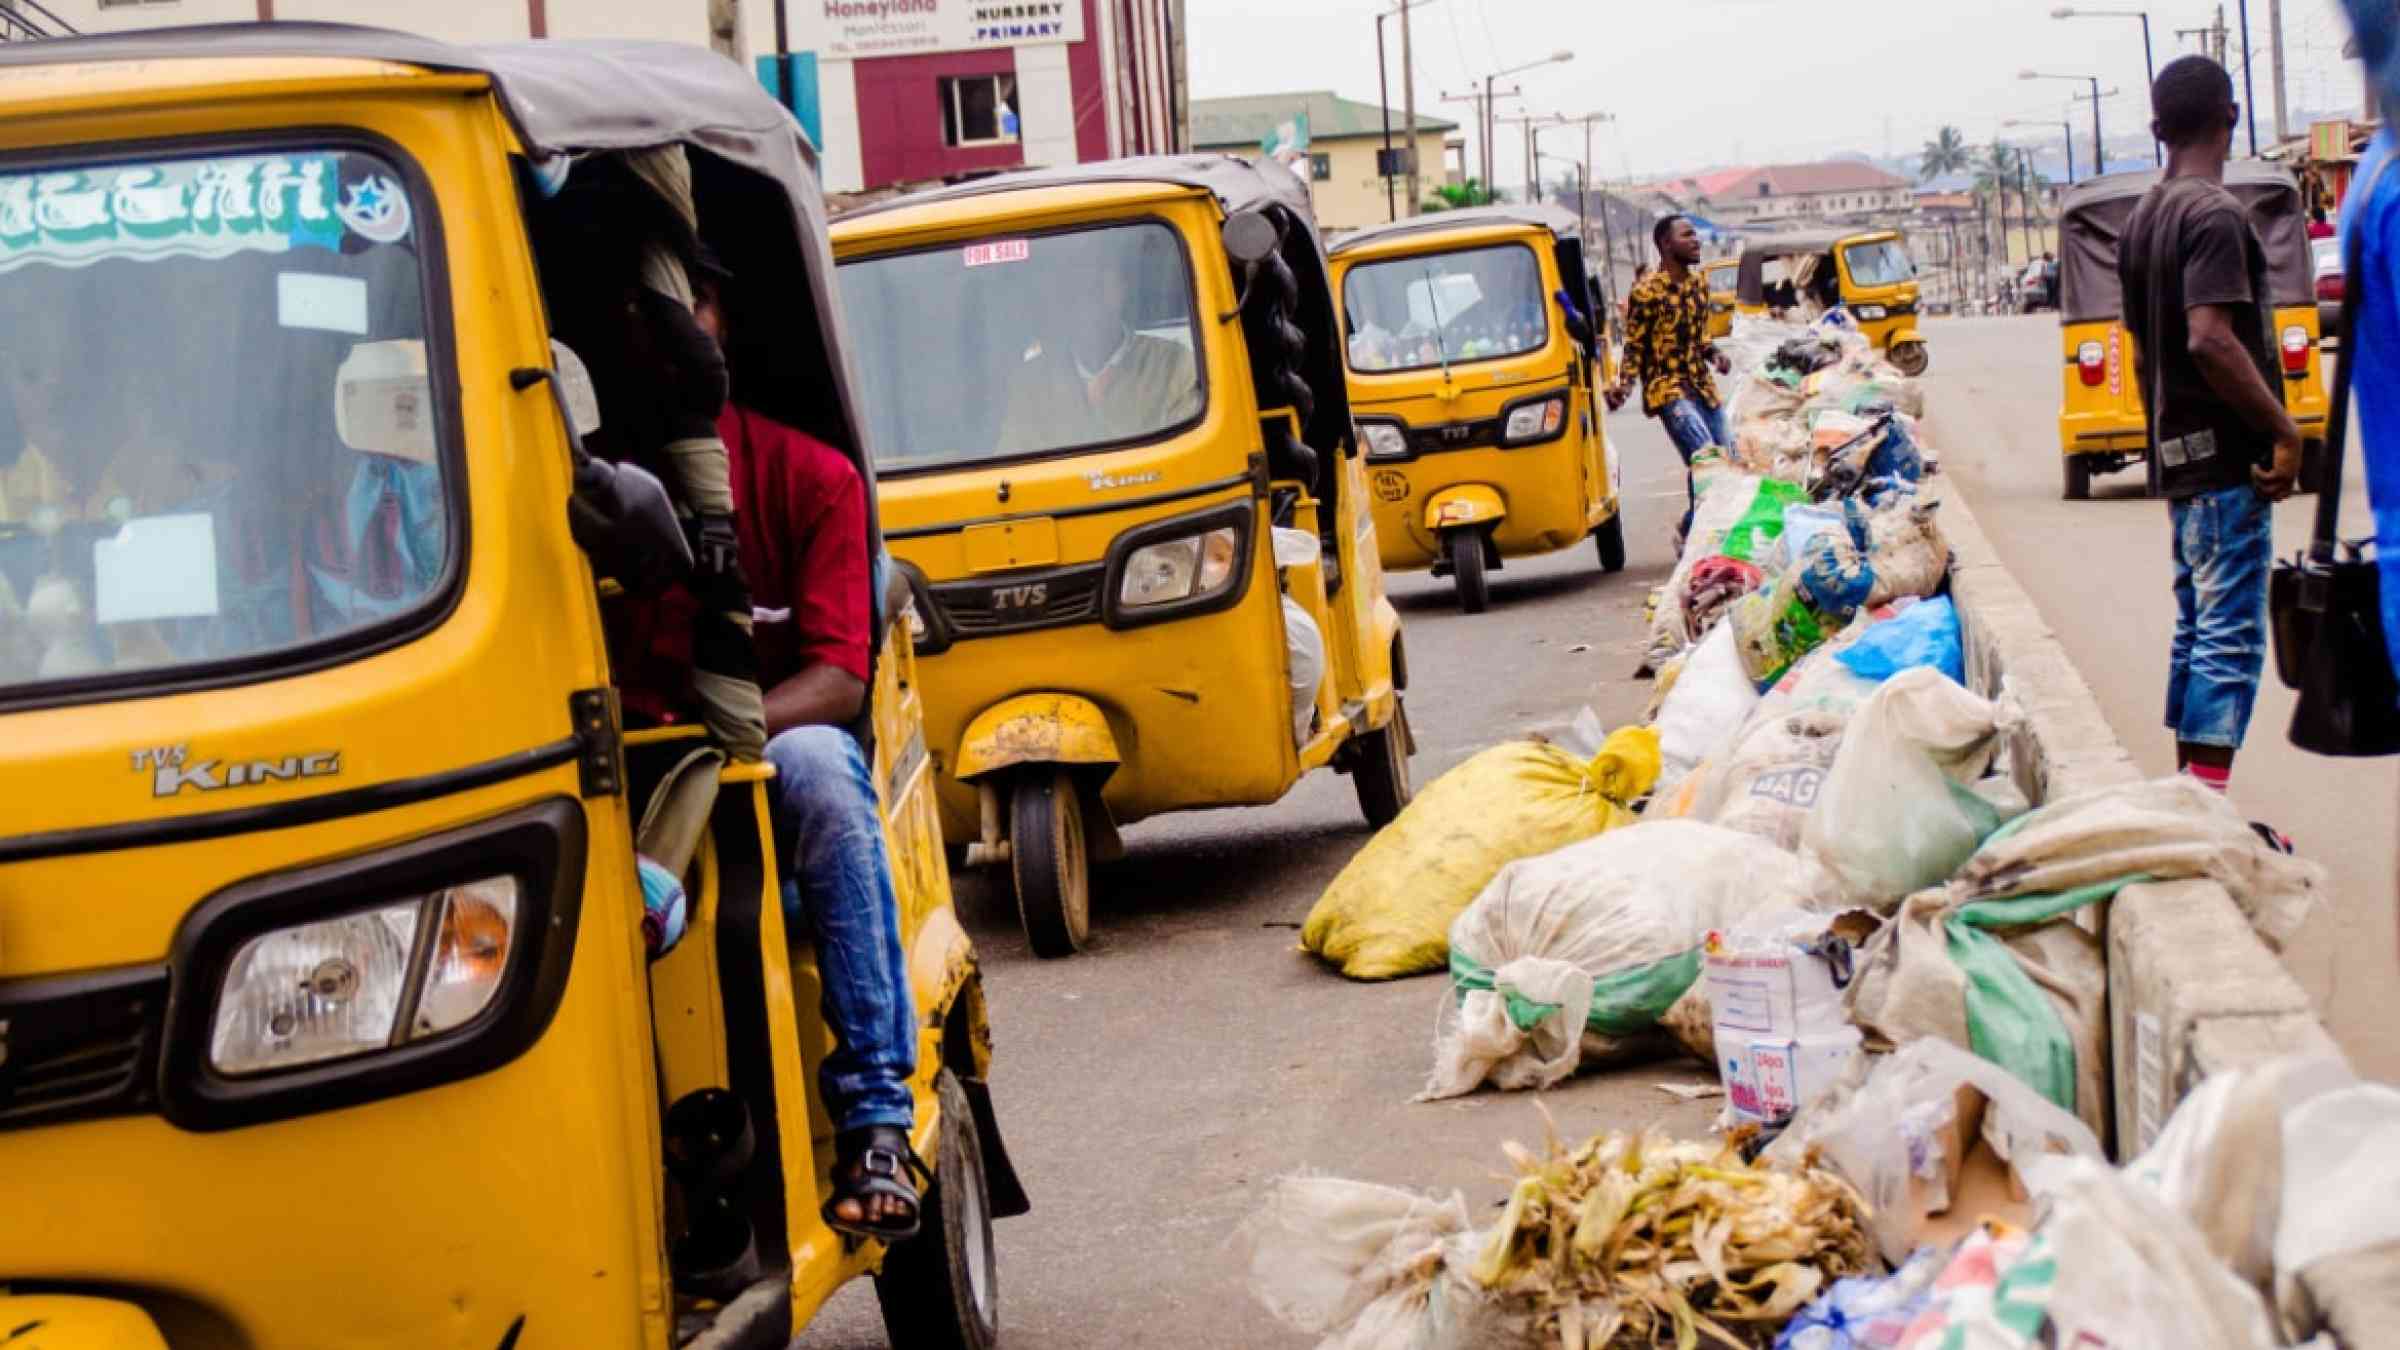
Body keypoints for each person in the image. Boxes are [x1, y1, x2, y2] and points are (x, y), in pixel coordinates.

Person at [685, 266, 926, 1241]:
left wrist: (717, 738)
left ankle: (874, 1116)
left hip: (763, 771)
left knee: (824, 763)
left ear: (721, 325)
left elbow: (837, 679)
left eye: (684, 313)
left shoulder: (810, 477)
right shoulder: (578, 493)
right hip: (623, 785)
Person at [2117, 55, 2304, 796]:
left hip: (2182, 460)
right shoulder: (2216, 215)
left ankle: (2190, 801)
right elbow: (2210, 338)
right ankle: (2203, 814)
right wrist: (2285, 432)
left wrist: (2160, 445)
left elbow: (2143, 357)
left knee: (2198, 631)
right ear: (2232, 118)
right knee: (2228, 639)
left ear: (2158, 129)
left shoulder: (2141, 221)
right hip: (2228, 463)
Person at [995, 256, 1199, 454]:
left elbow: (1193, 451)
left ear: (1123, 289)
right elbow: (1012, 461)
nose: (1090, 299)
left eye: (1100, 283)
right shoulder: (1031, 382)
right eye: (1077, 288)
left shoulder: (1173, 362)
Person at [1609, 214, 1731, 538]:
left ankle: (1691, 528)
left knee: (1726, 462)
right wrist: (1623, 387)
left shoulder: (1699, 285)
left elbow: (1699, 336)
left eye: (1695, 235)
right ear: (1666, 244)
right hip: (1668, 389)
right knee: (1706, 458)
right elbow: (1634, 346)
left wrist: (1715, 354)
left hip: (1702, 386)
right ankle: (1702, 536)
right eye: (1687, 235)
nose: (1696, 240)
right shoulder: (1646, 292)